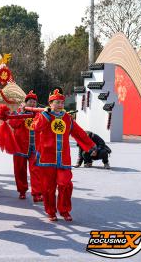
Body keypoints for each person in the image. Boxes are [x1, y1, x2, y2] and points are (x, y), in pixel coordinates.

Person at [33, 89, 96, 222]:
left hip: (64, 159)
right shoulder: (44, 116)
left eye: (62, 102)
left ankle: (64, 210)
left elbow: (79, 133)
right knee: (48, 187)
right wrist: (45, 115)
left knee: (66, 184)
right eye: (57, 102)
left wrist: (91, 146)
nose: (60, 105)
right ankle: (51, 211)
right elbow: (36, 127)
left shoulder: (67, 118)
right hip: (47, 157)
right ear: (51, 104)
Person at [8, 91, 43, 202]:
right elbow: (13, 124)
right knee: (20, 170)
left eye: (34, 102)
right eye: (30, 102)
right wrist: (21, 114)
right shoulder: (18, 112)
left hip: (35, 147)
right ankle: (22, 191)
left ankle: (36, 194)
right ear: (25, 103)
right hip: (20, 146)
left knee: (36, 170)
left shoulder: (39, 114)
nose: (33, 104)